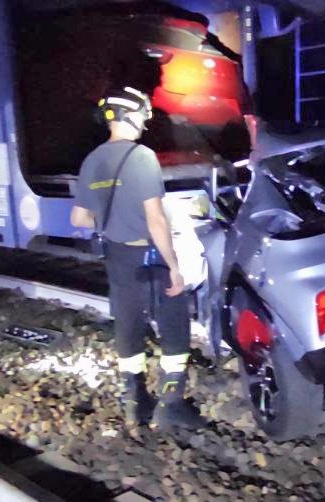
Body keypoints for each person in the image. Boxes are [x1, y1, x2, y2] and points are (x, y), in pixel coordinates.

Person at [70, 86, 206, 430]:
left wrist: (109, 216)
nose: (146, 122)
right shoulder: (141, 157)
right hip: (150, 256)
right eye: (144, 115)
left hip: (117, 256)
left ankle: (133, 401)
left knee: (128, 324)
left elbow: (79, 220)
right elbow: (156, 219)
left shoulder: (91, 160)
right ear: (130, 115)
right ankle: (170, 403)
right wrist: (174, 266)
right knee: (174, 321)